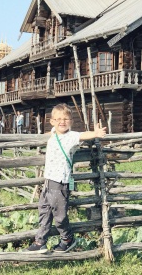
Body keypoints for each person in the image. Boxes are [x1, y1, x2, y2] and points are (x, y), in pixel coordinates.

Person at [24, 103, 107, 253]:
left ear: (71, 121)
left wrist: (95, 133)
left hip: (60, 182)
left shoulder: (71, 136)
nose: (62, 122)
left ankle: (68, 239)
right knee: (44, 212)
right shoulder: (54, 133)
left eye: (66, 119)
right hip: (48, 181)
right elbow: (47, 135)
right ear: (52, 122)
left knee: (60, 215)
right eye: (58, 119)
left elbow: (83, 135)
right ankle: (40, 241)